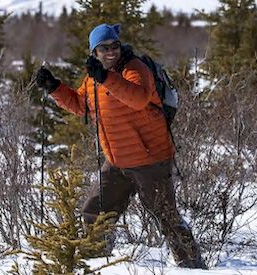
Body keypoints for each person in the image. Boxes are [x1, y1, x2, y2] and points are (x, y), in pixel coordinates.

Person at [33, 23, 207, 269]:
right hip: (117, 161)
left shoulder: (135, 69)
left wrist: (105, 78)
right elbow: (82, 105)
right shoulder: (93, 77)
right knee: (94, 212)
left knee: (167, 217)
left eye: (115, 45)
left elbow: (137, 99)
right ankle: (95, 266)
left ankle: (194, 268)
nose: (111, 51)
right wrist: (55, 88)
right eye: (104, 47)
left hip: (151, 160)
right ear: (95, 51)